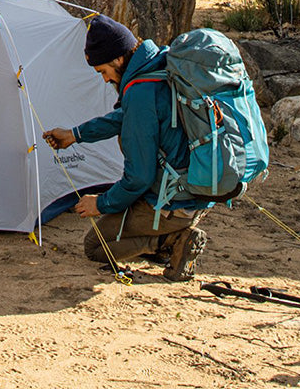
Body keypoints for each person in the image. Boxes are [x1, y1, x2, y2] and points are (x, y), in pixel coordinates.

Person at [43, 14, 209, 282]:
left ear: (118, 59)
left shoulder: (140, 92)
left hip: (171, 203)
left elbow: (139, 177)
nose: (105, 80)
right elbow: (124, 118)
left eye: (103, 72)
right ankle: (167, 235)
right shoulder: (157, 67)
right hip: (194, 192)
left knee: (95, 246)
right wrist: (74, 135)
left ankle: (172, 239)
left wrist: (102, 203)